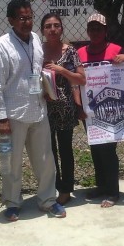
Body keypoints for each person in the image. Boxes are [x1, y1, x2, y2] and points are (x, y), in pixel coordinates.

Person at [0, 0, 65, 221]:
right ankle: (13, 203)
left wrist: (46, 89)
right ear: (11, 20)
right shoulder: (1, 46)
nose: (27, 22)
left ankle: (48, 200)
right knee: (12, 162)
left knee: (45, 159)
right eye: (22, 18)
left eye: (30, 17)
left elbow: (37, 70)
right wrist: (1, 116)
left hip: (38, 109)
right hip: (14, 114)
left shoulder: (36, 39)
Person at [77, 13, 124, 208]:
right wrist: (79, 107)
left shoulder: (116, 49)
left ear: (106, 30)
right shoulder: (80, 52)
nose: (95, 32)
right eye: (92, 28)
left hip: (112, 109)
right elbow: (76, 82)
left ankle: (112, 191)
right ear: (88, 31)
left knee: (108, 150)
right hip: (90, 111)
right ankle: (101, 186)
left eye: (99, 28)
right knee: (96, 149)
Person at [41, 13, 86, 206]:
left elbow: (81, 79)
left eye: (56, 25)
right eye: (48, 26)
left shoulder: (70, 52)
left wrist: (62, 71)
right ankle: (53, 186)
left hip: (65, 107)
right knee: (48, 151)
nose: (52, 29)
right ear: (42, 30)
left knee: (65, 149)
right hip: (43, 107)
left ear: (61, 28)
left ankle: (66, 189)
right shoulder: (37, 51)